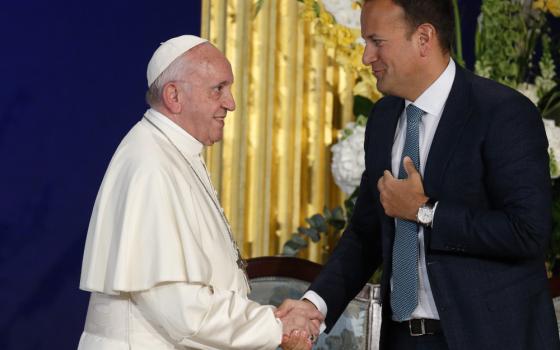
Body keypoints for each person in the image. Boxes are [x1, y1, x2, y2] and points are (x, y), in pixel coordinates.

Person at [277, 0, 560, 349]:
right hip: (403, 340)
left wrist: (425, 211)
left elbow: (527, 233)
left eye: (377, 42)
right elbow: (366, 235)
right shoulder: (382, 119)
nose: (367, 57)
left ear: (424, 38)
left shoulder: (503, 113)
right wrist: (314, 305)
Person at [77, 35, 322, 350]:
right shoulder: (151, 165)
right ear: (174, 95)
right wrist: (275, 326)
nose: (230, 103)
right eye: (218, 89)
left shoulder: (173, 153)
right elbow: (183, 313)